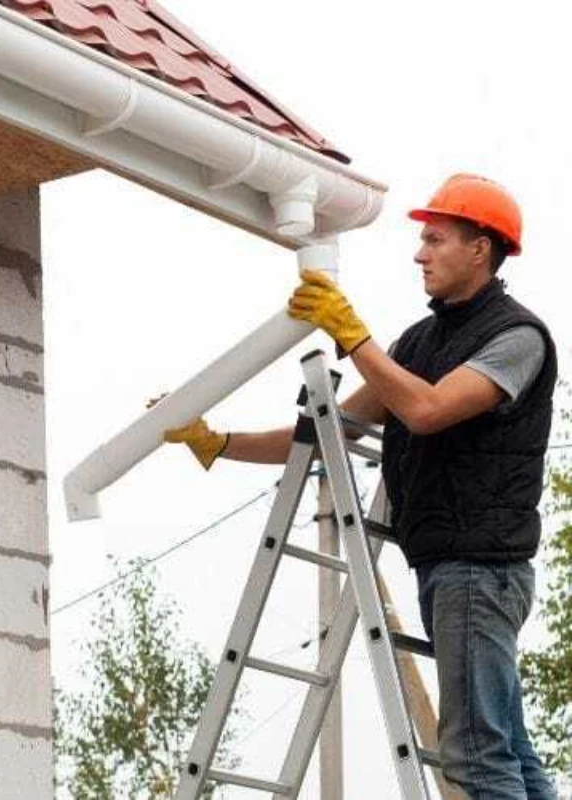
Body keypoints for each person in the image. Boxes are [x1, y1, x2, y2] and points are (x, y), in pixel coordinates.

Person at [164, 174, 558, 799]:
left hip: (481, 567)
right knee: (509, 754)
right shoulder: (421, 343)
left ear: (480, 248)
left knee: (479, 761)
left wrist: (353, 336)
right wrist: (219, 444)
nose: (419, 253)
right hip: (450, 566)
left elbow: (427, 410)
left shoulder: (518, 337)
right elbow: (330, 430)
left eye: (435, 239)